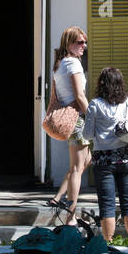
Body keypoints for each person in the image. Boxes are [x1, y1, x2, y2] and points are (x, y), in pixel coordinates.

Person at [82, 67, 128, 242]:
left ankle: (108, 243)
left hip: (104, 160)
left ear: (102, 83)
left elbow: (87, 135)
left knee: (107, 205)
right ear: (121, 84)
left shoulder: (95, 104)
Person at [47, 26, 91, 225]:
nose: (84, 46)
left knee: (85, 161)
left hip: (70, 119)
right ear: (69, 44)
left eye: (85, 42)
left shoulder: (61, 63)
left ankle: (59, 197)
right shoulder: (73, 64)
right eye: (79, 42)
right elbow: (80, 95)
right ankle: (70, 216)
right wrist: (93, 117)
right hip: (78, 119)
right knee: (76, 168)